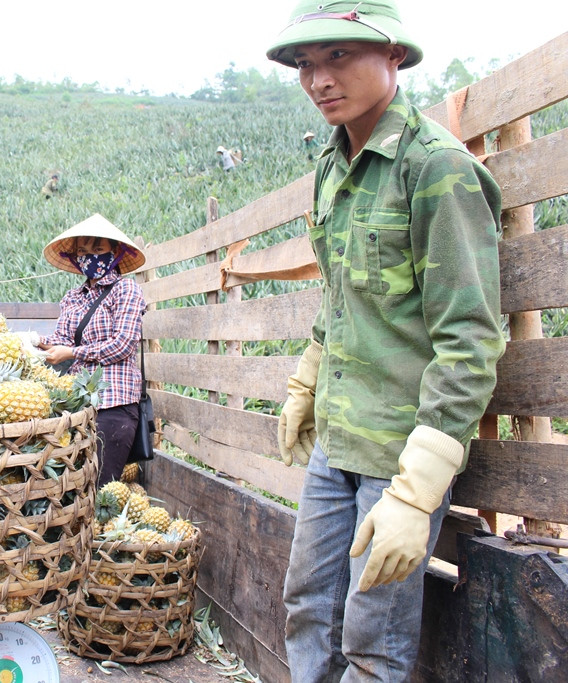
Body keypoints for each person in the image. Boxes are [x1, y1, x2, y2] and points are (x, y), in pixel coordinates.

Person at [268, 1, 505, 680]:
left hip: (398, 451)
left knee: (374, 641)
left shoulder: (435, 170)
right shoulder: (333, 167)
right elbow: (340, 295)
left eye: (338, 56)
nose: (319, 79)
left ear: (394, 55)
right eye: (306, 65)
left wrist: (417, 490)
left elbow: (469, 338)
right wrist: (307, 379)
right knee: (307, 607)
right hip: (337, 441)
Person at [25, 214, 147, 486]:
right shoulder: (72, 297)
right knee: (75, 488)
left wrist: (72, 354)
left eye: (98, 250)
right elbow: (62, 339)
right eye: (83, 251)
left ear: (115, 253)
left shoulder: (125, 289)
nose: (89, 257)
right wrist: (35, 341)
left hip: (114, 404)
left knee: (99, 487)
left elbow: (123, 345)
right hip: (78, 405)